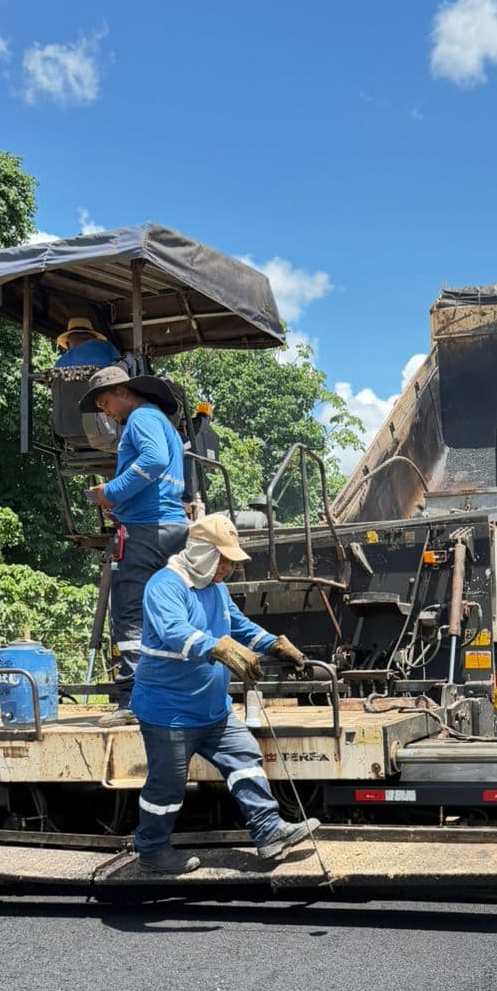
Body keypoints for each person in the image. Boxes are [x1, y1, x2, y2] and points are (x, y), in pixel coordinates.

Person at [129, 513, 318, 876]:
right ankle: (152, 850)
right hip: (169, 710)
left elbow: (239, 626)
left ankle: (269, 833)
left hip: (212, 709)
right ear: (201, 553)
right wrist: (218, 648)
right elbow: (175, 631)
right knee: (167, 786)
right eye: (225, 558)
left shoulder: (214, 588)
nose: (230, 567)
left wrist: (274, 645)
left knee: (245, 757)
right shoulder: (165, 585)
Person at [78, 365, 189, 720]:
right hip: (171, 527)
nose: (105, 413)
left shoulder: (140, 419)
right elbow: (161, 475)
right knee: (167, 613)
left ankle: (133, 702)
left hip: (145, 533)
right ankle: (171, 693)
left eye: (105, 403)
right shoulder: (162, 423)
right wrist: (121, 504)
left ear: (123, 391)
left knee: (128, 614)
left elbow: (153, 461)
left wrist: (110, 491)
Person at [54, 317, 120, 369]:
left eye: (84, 339)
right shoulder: (108, 348)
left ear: (68, 345)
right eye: (78, 338)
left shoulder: (60, 363)